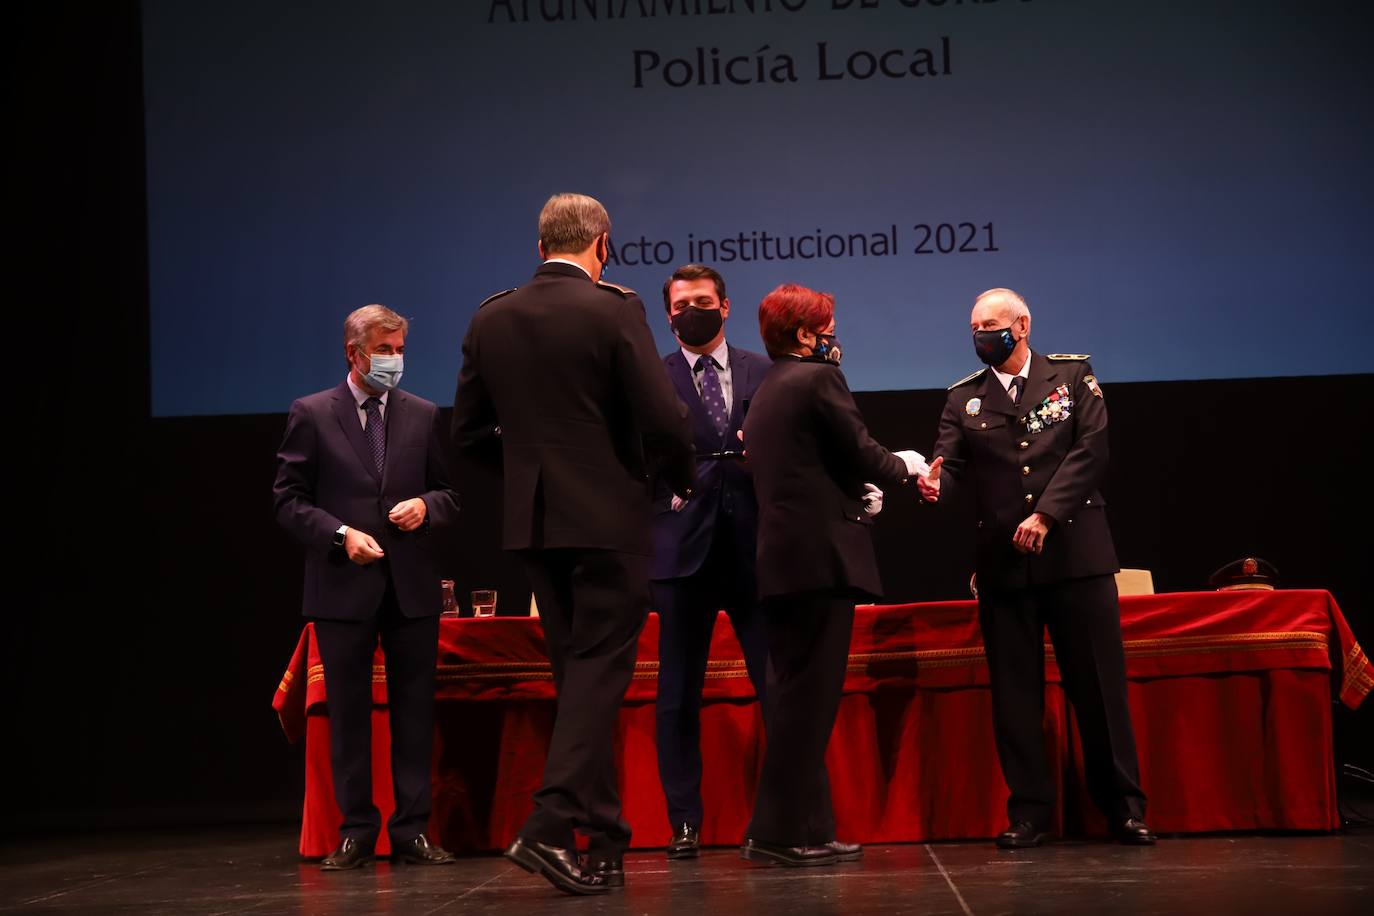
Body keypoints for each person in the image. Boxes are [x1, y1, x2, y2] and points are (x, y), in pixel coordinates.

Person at [451, 193, 696, 894]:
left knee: (582, 680)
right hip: (607, 521)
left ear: (539, 248)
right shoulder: (614, 309)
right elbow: (664, 417)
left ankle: (607, 841)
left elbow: (466, 435)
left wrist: (530, 474)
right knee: (599, 675)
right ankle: (551, 824)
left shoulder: (490, 317)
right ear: (604, 246)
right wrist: (674, 483)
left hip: (536, 524)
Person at [917, 287, 1156, 848]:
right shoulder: (964, 400)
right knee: (1015, 696)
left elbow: (1091, 451)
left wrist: (1047, 515)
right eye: (974, 326)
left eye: (992, 325)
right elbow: (950, 464)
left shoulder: (1072, 378)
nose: (981, 335)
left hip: (1077, 556)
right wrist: (934, 484)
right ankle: (1029, 812)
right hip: (1005, 565)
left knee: (1098, 689)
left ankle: (1123, 808)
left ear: (1022, 325)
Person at [739, 283, 927, 867]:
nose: (833, 336)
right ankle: (780, 833)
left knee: (795, 696)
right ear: (803, 333)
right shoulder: (818, 378)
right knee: (807, 704)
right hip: (819, 563)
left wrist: (856, 492)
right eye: (827, 325)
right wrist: (907, 467)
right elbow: (861, 448)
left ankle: (801, 827)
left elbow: (810, 468)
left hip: (784, 560)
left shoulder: (768, 388)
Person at [273, 304, 460, 871]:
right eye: (385, 351)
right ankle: (356, 829)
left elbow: (449, 495)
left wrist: (425, 507)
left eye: (401, 350)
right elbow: (288, 501)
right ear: (354, 354)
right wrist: (340, 535)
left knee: (414, 714)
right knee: (350, 714)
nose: (395, 361)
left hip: (410, 588)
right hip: (342, 587)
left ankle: (412, 830)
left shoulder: (423, 414)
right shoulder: (312, 413)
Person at [650, 264, 770, 860]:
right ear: (667, 315)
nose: (690, 311)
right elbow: (628, 460)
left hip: (757, 549)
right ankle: (684, 822)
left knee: (775, 687)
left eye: (702, 301)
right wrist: (663, 495)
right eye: (679, 305)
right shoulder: (649, 377)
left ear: (725, 308)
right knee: (677, 695)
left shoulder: (765, 370)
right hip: (681, 552)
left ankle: (778, 817)